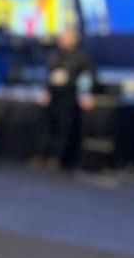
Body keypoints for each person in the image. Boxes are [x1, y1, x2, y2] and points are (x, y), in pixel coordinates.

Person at [38, 28, 97, 169]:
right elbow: (49, 76)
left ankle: (63, 158)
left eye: (66, 38)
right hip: (54, 97)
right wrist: (46, 91)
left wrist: (85, 94)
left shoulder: (82, 57)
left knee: (66, 127)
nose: (62, 40)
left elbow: (86, 77)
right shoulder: (55, 56)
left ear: (74, 40)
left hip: (70, 97)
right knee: (48, 126)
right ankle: (47, 155)